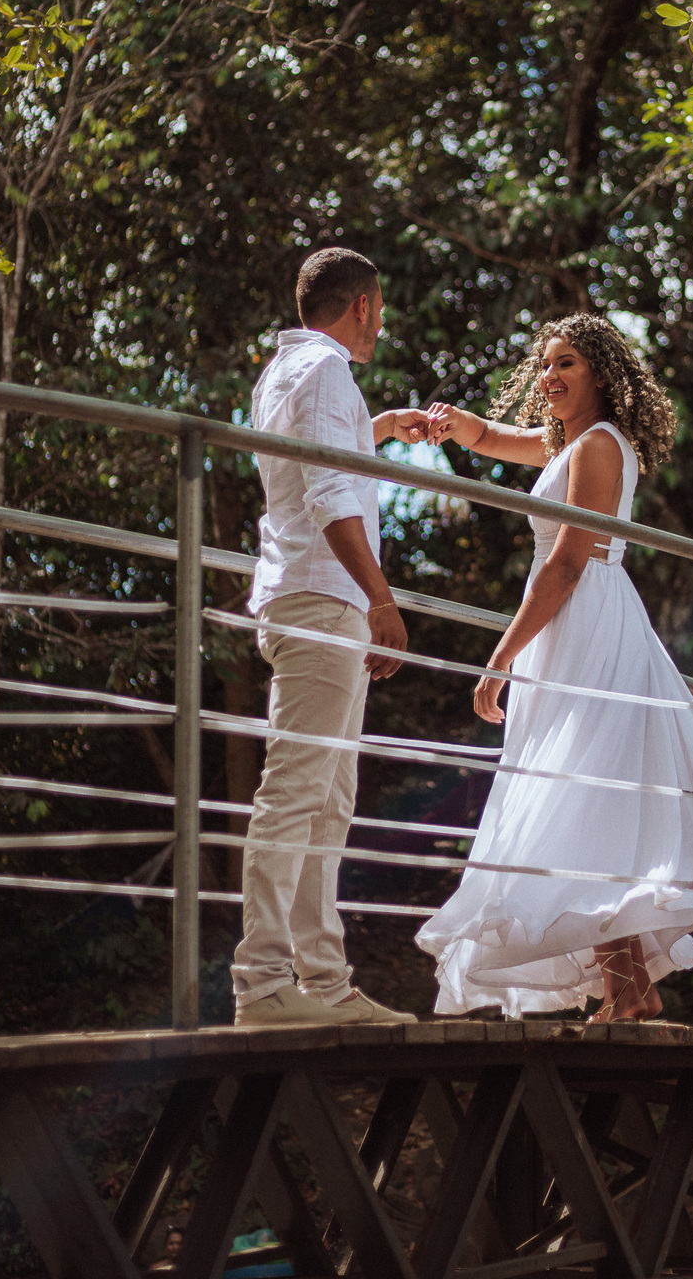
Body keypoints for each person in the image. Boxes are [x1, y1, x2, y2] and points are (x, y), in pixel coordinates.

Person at [416, 315, 693, 1021]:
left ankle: (628, 990)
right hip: (573, 628)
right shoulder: (571, 443)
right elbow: (495, 439)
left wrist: (499, 656)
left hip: (586, 625)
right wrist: (457, 426)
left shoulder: (598, 447)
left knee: (583, 796)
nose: (550, 375)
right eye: (545, 364)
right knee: (587, 801)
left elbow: (567, 562)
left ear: (602, 375)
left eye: (567, 363)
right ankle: (629, 991)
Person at [231, 246, 429, 1027]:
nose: (380, 324)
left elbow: (313, 462)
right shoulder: (325, 372)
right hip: (322, 601)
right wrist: (381, 599)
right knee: (296, 794)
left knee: (327, 800)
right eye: (380, 311)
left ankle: (321, 982)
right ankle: (262, 980)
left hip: (315, 599)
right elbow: (325, 493)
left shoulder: (290, 372)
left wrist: (375, 429)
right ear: (363, 307)